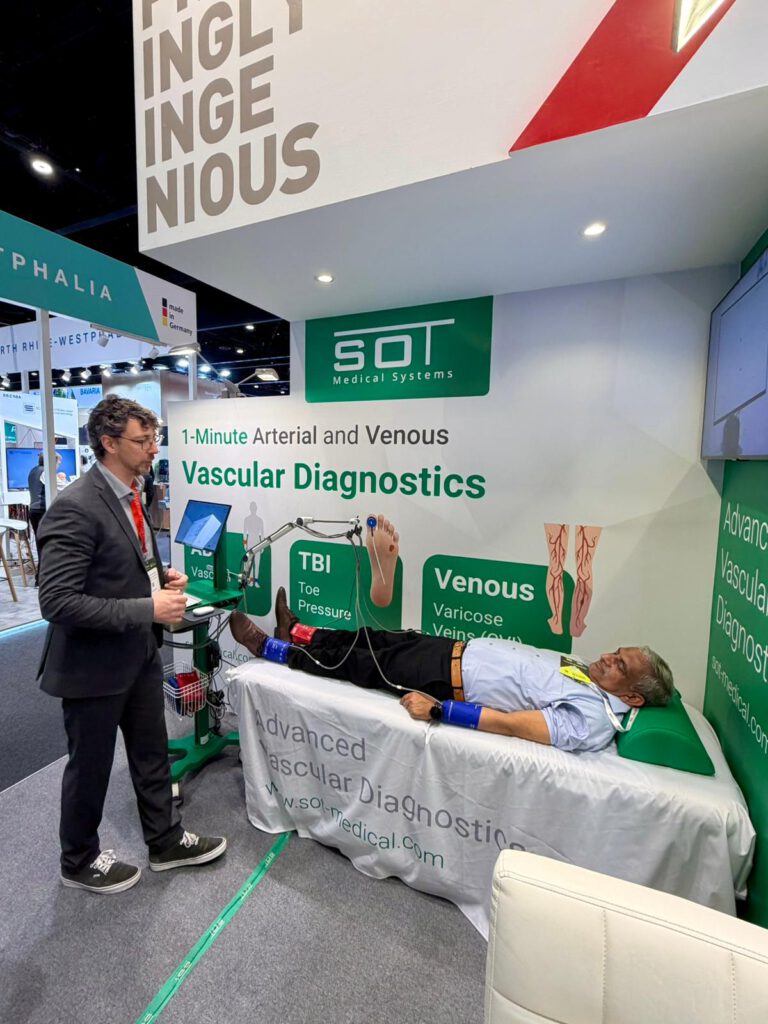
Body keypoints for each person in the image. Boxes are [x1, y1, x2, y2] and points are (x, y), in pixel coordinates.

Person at [37, 395, 227, 894]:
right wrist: (148, 608)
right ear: (108, 442)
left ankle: (165, 841)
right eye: (143, 441)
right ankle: (78, 860)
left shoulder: (132, 493)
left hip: (138, 654)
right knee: (91, 768)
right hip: (92, 667)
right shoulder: (75, 506)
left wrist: (162, 578)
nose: (153, 449)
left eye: (154, 438)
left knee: (151, 754)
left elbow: (125, 564)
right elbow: (57, 602)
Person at [228, 589, 674, 753]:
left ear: (633, 697)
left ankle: (270, 648)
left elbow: (516, 725)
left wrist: (441, 710)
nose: (609, 657)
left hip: (446, 678)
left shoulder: (594, 718)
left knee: (357, 663)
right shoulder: (589, 677)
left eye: (621, 664)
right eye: (617, 651)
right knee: (368, 638)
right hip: (452, 649)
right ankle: (298, 631)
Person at [27, 452, 61, 585]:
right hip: (43, 510)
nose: (58, 465)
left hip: (33, 510)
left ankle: (41, 578)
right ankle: (43, 578)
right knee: (48, 544)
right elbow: (61, 487)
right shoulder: (46, 473)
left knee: (41, 544)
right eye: (58, 462)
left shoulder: (33, 471)